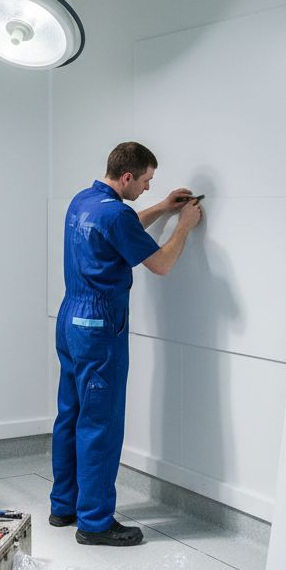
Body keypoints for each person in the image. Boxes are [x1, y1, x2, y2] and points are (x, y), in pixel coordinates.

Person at [50, 141, 202, 547]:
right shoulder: (116, 213)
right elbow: (162, 263)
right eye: (148, 181)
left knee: (71, 413)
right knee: (100, 422)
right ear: (128, 176)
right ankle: (96, 523)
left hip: (69, 320)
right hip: (100, 326)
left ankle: (64, 505)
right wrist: (183, 225)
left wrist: (166, 208)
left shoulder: (83, 201)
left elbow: (122, 226)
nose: (149, 190)